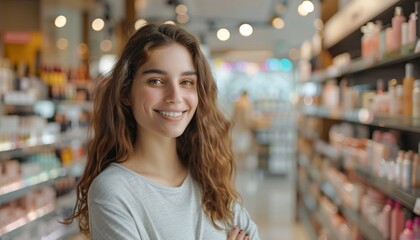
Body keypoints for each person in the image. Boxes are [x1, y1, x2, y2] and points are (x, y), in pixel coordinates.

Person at [64, 23, 260, 240]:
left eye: (186, 82)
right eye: (156, 81)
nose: (175, 96)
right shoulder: (114, 192)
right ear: (125, 93)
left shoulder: (208, 174)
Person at [231, 90, 255, 166]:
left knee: (237, 146)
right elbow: (248, 118)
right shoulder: (248, 104)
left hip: (236, 127)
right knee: (243, 146)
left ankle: (237, 162)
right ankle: (241, 163)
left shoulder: (236, 103)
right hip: (244, 128)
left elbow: (233, 116)